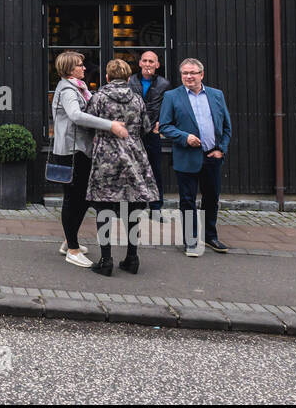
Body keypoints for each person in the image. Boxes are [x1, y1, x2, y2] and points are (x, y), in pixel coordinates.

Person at [51, 50, 128, 268]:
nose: (84, 68)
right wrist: (110, 125)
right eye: (79, 65)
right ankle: (72, 249)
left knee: (83, 197)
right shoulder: (67, 89)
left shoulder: (79, 88)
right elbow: (76, 116)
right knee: (72, 199)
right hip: (71, 152)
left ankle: (69, 240)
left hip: (82, 151)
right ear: (68, 69)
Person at [85, 59, 158, 276]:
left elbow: (89, 123)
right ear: (128, 78)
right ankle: (132, 258)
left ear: (107, 77)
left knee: (103, 207)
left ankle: (106, 260)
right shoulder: (137, 99)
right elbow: (146, 127)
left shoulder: (99, 97)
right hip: (134, 156)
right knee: (133, 208)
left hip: (106, 157)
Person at [159, 57, 233, 256]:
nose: (188, 76)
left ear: (202, 74)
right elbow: (165, 126)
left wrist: (221, 150)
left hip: (212, 157)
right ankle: (191, 241)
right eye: (185, 73)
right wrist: (185, 137)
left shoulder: (217, 95)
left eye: (192, 73)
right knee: (188, 201)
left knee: (211, 199)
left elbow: (226, 127)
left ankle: (210, 237)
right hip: (186, 157)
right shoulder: (172, 96)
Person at [129, 51, 171, 214]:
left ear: (157, 65)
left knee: (154, 171)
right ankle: (134, 205)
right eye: (145, 61)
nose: (147, 64)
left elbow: (168, 106)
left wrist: (161, 123)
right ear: (139, 63)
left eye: (151, 61)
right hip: (133, 133)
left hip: (153, 133)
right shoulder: (130, 81)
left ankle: (155, 207)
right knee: (133, 168)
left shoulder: (164, 84)